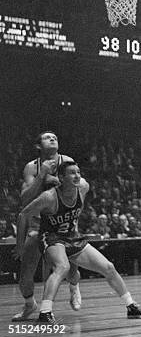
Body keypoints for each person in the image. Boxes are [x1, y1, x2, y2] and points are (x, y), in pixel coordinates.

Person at [16, 161, 141, 323]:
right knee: (63, 267)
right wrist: (20, 246)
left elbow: (81, 181)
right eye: (72, 173)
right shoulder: (49, 197)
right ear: (61, 178)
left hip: (73, 236)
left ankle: (131, 307)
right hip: (52, 237)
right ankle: (45, 312)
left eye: (79, 172)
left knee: (108, 267)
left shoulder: (83, 188)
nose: (77, 176)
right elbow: (23, 215)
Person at [12, 131, 83, 321]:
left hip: (62, 225)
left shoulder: (67, 160)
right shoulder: (31, 167)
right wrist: (43, 174)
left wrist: (55, 180)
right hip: (37, 225)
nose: (53, 139)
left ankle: (74, 287)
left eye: (55, 138)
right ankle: (29, 305)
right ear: (38, 146)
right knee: (25, 275)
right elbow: (25, 200)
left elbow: (78, 185)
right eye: (47, 137)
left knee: (72, 270)